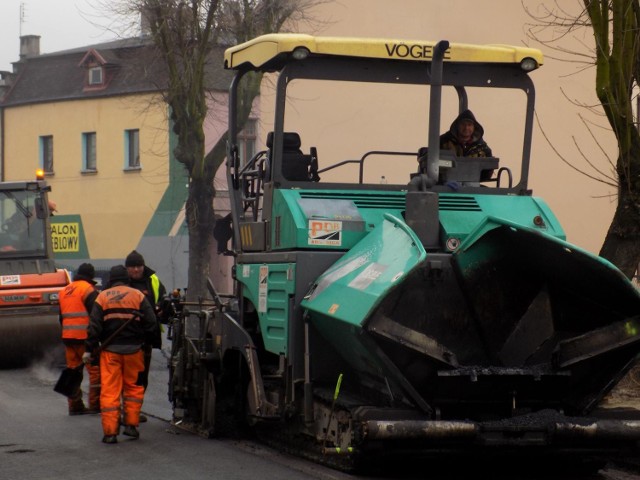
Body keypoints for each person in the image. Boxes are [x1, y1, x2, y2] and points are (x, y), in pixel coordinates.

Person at [83, 265, 157, 444]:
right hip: (134, 351)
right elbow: (151, 322)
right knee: (133, 388)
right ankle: (131, 426)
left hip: (110, 352)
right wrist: (145, 341)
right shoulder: (138, 296)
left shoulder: (102, 297)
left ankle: (110, 433)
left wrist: (89, 348)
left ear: (110, 280)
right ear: (126, 279)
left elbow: (94, 327)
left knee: (110, 390)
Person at [124, 250, 166, 410]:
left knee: (142, 374)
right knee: (128, 376)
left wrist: (161, 307)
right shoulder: (121, 282)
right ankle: (127, 408)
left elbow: (162, 297)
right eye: (132, 267)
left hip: (147, 336)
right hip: (126, 336)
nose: (136, 270)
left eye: (139, 266)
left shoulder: (153, 280)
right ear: (126, 268)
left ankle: (135, 409)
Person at [59, 263, 100, 415]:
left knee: (72, 372)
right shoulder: (88, 290)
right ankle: (96, 405)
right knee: (96, 371)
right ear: (91, 276)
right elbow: (96, 318)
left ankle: (74, 406)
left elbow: (61, 317)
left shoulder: (64, 291)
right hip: (84, 339)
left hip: (68, 338)